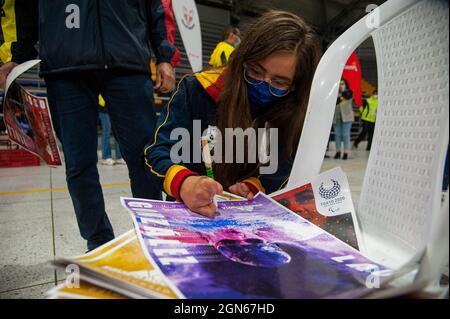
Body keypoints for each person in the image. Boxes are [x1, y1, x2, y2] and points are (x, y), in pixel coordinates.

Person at [0, 0, 179, 251]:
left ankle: (154, 234)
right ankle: (98, 242)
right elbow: (24, 6)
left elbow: (156, 6)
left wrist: (164, 56)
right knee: (78, 162)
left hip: (127, 58)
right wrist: (18, 55)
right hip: (65, 64)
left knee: (144, 158)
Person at [145, 10, 321, 217]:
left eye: (279, 82)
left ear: (295, 87)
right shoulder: (197, 90)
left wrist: (255, 185)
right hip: (189, 212)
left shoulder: (292, 110)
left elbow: (285, 163)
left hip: (249, 215)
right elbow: (157, 151)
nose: (263, 85)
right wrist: (184, 183)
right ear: (241, 60)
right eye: (255, 71)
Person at [98, 96, 124, 166]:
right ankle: (105, 157)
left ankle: (119, 157)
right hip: (104, 108)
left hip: (115, 107)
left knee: (118, 132)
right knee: (107, 131)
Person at [333, 79, 354, 160]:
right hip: (337, 117)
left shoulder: (349, 92)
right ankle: (337, 152)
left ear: (345, 85)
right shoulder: (335, 93)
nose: (341, 85)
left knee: (345, 135)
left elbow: (346, 96)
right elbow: (336, 102)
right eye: (339, 84)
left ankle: (346, 152)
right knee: (337, 135)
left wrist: (340, 95)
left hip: (347, 117)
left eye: (342, 84)